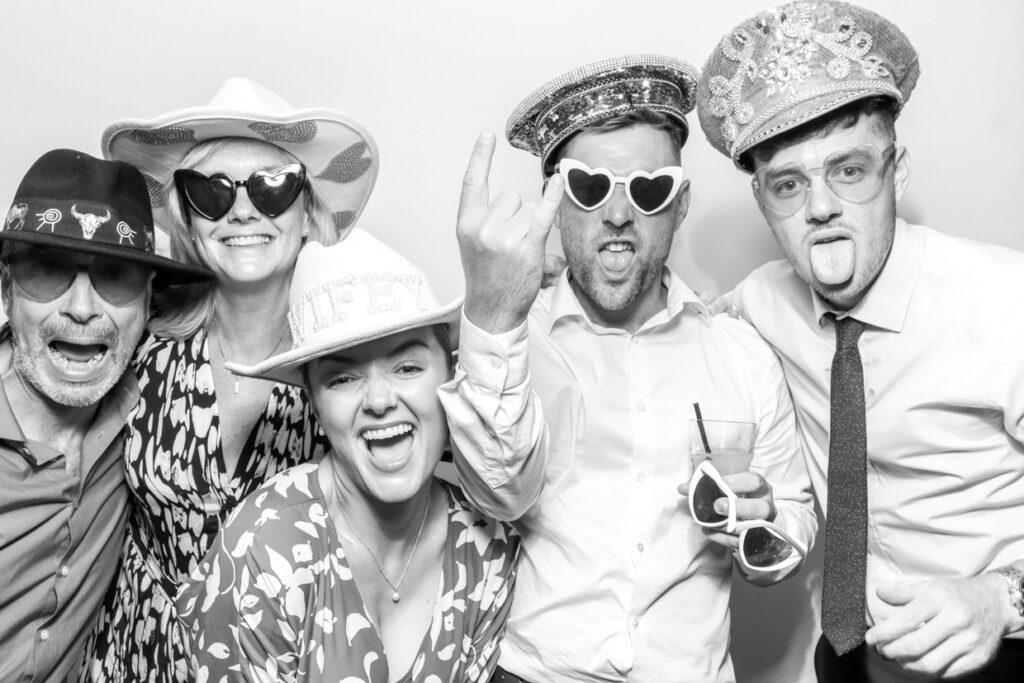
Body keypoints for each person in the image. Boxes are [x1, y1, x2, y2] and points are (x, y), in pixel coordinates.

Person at [441, 55, 817, 682]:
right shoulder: (506, 338)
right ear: (555, 202)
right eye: (590, 187)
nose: (618, 215)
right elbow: (497, 491)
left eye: (648, 190)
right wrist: (492, 311)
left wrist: (763, 527)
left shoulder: (741, 355)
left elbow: (794, 523)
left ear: (680, 205)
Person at [696, 2, 1024, 680]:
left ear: (896, 172)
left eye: (849, 170)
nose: (819, 206)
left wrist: (1002, 596)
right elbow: (670, 325)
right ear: (764, 202)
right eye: (790, 183)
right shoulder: (760, 303)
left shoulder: (1004, 303)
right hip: (846, 656)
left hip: (1000, 648)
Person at [80, 78, 379, 681]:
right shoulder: (137, 343)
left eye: (272, 188)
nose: (243, 211)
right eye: (212, 191)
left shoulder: (351, 362)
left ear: (306, 211)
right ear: (187, 217)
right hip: (135, 655)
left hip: (284, 660)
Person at [176, 229, 518, 681]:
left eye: (408, 367)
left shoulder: (487, 545)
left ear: (451, 377)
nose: (379, 400)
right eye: (343, 378)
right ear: (315, 404)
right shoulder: (264, 550)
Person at [0, 149, 209, 682]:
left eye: (114, 278)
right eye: (48, 272)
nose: (81, 308)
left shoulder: (147, 418)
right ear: (7, 293)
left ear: (147, 305)